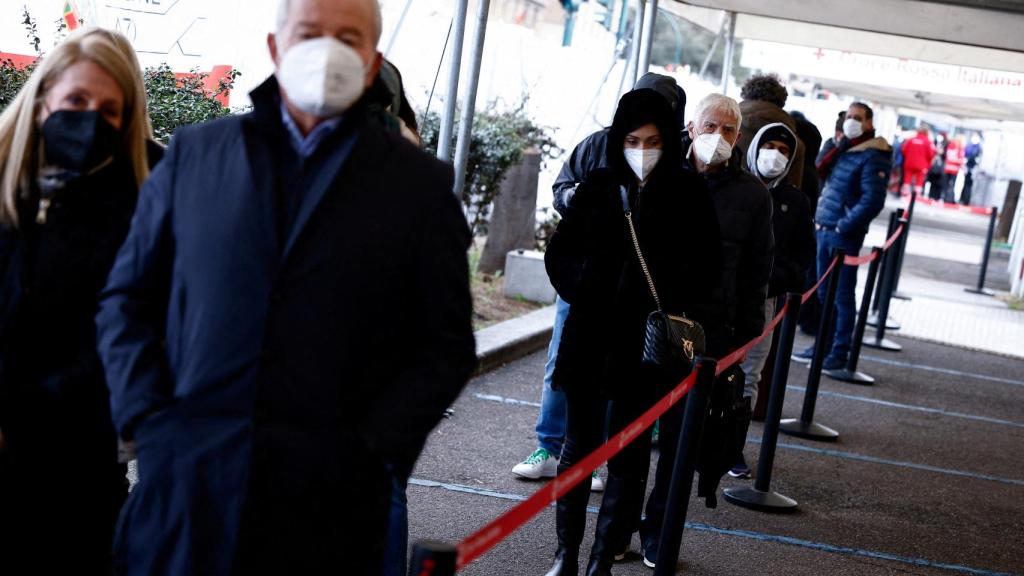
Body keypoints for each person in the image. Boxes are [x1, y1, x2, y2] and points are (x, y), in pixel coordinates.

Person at [95, 0, 477, 574]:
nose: (326, 51)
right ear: (275, 49)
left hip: (329, 512)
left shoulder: (420, 187)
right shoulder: (198, 155)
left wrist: (373, 455)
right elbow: (127, 300)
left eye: (348, 38)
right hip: (186, 494)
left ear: (372, 64)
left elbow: (444, 346)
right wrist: (148, 423)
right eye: (309, 33)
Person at [543, 88, 721, 576]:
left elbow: (710, 271)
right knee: (577, 451)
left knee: (628, 457)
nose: (643, 150)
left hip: (645, 352)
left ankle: (601, 560)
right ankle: (565, 555)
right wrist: (585, 285)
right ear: (618, 139)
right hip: (589, 337)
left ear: (670, 141)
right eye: (633, 139)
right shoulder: (599, 186)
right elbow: (559, 253)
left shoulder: (688, 194)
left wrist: (671, 300)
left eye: (654, 140)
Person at [0, 28, 152, 574]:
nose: (91, 121)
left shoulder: (145, 208)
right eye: (77, 102)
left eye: (110, 111)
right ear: (43, 105)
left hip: (82, 463)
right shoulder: (5, 189)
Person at [512, 72, 686, 493]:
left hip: (637, 292)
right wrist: (585, 202)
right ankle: (548, 448)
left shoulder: (676, 161)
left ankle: (594, 456)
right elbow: (561, 189)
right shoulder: (597, 144)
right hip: (585, 279)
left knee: (619, 373)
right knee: (563, 361)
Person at [640, 93, 773, 568]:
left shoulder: (753, 195)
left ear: (739, 137)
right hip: (650, 324)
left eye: (730, 130)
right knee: (631, 439)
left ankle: (659, 533)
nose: (719, 138)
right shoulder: (660, 174)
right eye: (711, 127)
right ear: (692, 128)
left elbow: (757, 272)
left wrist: (744, 340)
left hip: (708, 336)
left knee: (680, 444)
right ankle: (615, 531)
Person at [731, 122, 814, 477]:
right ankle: (692, 438)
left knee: (750, 375)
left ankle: (732, 448)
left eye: (784, 149)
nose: (775, 155)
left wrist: (771, 280)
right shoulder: (734, 187)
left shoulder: (795, 202)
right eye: (770, 146)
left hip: (764, 300)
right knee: (708, 368)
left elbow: (801, 261)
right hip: (721, 296)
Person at [795, 102, 891, 370]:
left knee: (842, 297)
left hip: (841, 235)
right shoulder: (844, 148)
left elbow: (873, 199)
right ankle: (822, 347)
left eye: (858, 118)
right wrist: (837, 142)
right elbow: (819, 167)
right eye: (848, 117)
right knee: (825, 296)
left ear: (869, 123)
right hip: (824, 229)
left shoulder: (873, 154)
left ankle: (839, 352)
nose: (852, 121)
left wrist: (844, 226)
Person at [736, 73, 805, 188]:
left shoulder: (728, 127)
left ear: (746, 96)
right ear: (781, 102)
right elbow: (793, 190)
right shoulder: (795, 143)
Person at [901, 126, 935, 197]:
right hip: (921, 165)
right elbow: (931, 154)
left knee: (907, 180)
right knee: (919, 181)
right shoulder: (928, 142)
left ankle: (904, 196)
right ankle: (915, 197)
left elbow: (903, 150)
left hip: (909, 163)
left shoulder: (911, 140)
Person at [961, 134, 982, 205]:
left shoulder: (978, 148)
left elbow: (978, 159)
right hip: (967, 167)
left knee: (969, 185)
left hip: (973, 169)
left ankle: (966, 200)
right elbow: (965, 155)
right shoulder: (969, 146)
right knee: (965, 183)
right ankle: (962, 199)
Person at [942, 134, 965, 202]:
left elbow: (947, 156)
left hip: (948, 168)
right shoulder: (959, 148)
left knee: (947, 185)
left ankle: (945, 198)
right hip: (954, 170)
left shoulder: (951, 146)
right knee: (951, 185)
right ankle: (948, 199)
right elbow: (960, 159)